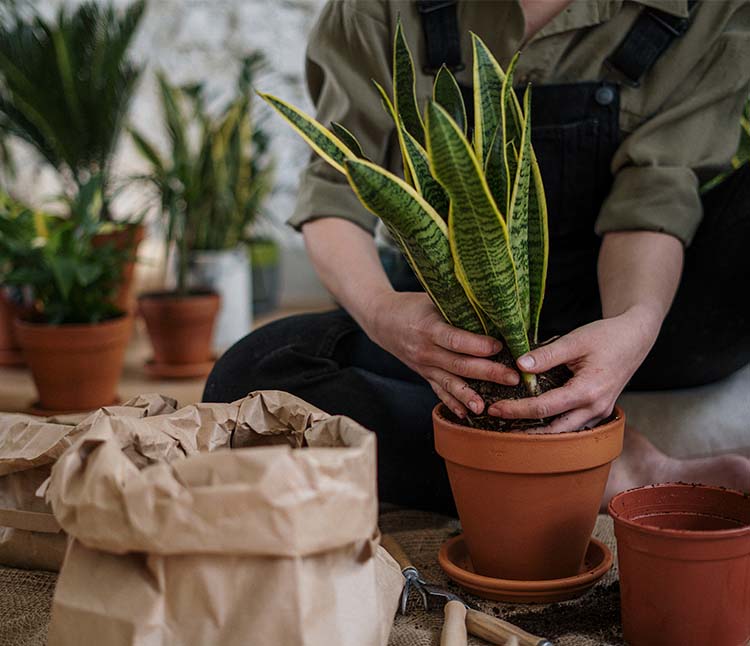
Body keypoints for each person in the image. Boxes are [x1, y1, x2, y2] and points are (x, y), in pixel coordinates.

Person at [204, 0, 750, 513]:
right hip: (456, 332)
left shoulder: (701, 8)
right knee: (250, 378)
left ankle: (535, 458)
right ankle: (606, 467)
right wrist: (382, 313)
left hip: (645, 309)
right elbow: (337, 193)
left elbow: (653, 199)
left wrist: (636, 323)